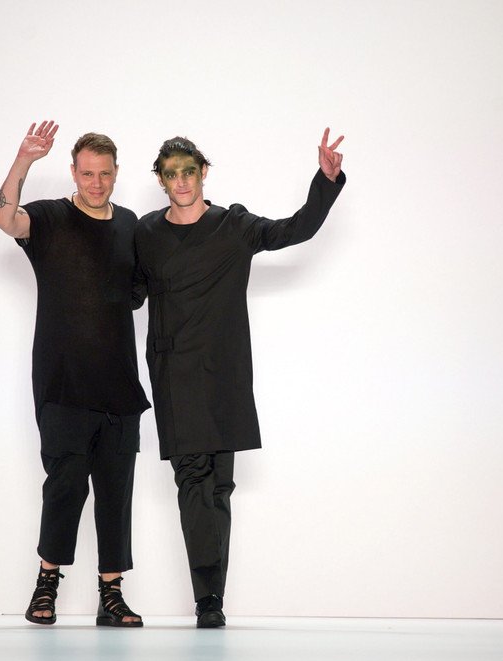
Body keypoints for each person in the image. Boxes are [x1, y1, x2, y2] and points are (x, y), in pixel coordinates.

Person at [133, 129, 346, 627]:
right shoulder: (146, 233)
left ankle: (212, 597)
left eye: (189, 171)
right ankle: (207, 599)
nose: (181, 181)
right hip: (174, 372)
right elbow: (129, 291)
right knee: (192, 481)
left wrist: (325, 181)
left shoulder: (233, 226)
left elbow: (294, 229)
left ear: (203, 172)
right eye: (171, 174)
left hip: (224, 371)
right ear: (161, 180)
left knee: (219, 486)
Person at [0, 120, 149, 627]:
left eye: (104, 173)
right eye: (87, 173)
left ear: (116, 173)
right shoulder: (51, 217)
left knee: (115, 491)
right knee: (65, 485)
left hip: (119, 385)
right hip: (62, 383)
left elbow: (140, 291)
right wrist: (24, 159)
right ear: (73, 173)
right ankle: (46, 584)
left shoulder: (131, 225)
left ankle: (112, 595)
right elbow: (3, 218)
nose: (96, 182)